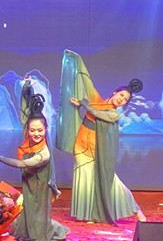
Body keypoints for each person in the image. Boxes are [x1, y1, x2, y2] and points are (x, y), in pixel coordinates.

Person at [56, 49, 146, 224]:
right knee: (84, 181)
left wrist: (83, 104)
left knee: (111, 182)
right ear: (114, 92)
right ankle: (88, 214)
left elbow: (96, 113)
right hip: (81, 147)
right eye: (121, 95)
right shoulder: (96, 100)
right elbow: (86, 83)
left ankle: (136, 210)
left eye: (125, 100)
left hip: (98, 152)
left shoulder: (114, 114)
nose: (122, 100)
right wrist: (76, 63)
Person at [0, 79, 69, 241]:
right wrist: (26, 89)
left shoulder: (43, 153)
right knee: (28, 211)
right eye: (32, 130)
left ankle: (56, 231)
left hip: (39, 187)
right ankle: (30, 229)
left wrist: (1, 158)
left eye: (40, 130)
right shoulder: (28, 136)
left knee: (37, 214)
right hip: (29, 182)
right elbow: (25, 112)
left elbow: (22, 164)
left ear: (46, 129)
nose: (36, 134)